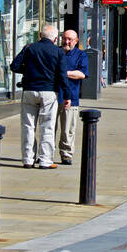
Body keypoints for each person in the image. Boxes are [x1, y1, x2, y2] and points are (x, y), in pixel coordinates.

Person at [11, 25, 66, 169]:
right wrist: (66, 95)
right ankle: (45, 160)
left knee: (28, 126)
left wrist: (29, 70)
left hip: (29, 90)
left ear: (40, 35)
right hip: (49, 91)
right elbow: (62, 74)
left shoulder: (29, 48)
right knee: (47, 126)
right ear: (55, 38)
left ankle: (28, 159)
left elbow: (14, 66)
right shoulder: (58, 51)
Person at [56, 29, 88, 165]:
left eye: (70, 39)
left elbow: (82, 74)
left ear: (76, 41)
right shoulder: (56, 51)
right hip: (52, 95)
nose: (66, 41)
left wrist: (63, 73)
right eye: (64, 38)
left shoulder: (81, 55)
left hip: (71, 97)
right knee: (49, 128)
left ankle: (66, 154)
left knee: (68, 129)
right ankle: (46, 154)